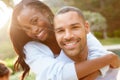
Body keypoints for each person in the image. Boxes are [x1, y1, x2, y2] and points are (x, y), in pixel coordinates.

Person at [9, 0, 119, 80]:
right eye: (27, 28)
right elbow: (58, 75)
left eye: (35, 21)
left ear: (45, 12)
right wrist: (109, 58)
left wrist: (104, 62)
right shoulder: (31, 48)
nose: (34, 30)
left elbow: (99, 55)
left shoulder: (71, 27)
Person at [54, 6, 120, 80]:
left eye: (75, 27)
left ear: (87, 27)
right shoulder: (55, 73)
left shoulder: (106, 58)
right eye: (60, 31)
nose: (68, 36)